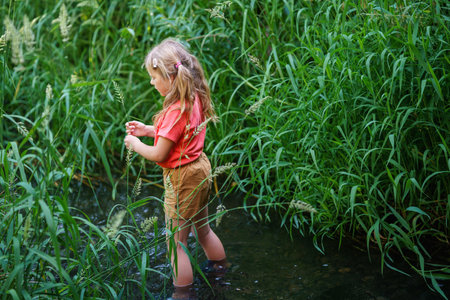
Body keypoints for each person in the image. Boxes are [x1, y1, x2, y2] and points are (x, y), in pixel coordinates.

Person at [124, 38, 228, 299]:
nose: (151, 82)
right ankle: (220, 271)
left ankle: (183, 294)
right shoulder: (193, 97)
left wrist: (136, 144)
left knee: (176, 243)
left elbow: (160, 152)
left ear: (170, 78)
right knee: (203, 230)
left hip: (182, 178)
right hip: (200, 169)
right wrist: (149, 130)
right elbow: (179, 135)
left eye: (153, 76)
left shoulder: (173, 110)